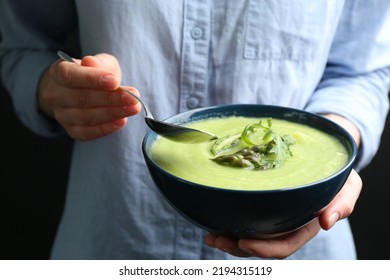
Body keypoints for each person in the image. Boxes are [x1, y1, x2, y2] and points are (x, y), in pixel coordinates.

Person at [1, 0, 389, 260]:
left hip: (307, 242)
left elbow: (365, 70)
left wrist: (334, 150)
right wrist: (51, 89)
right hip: (111, 242)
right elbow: (20, 46)